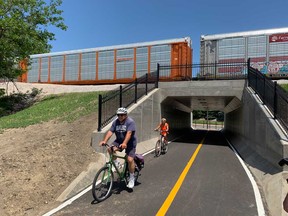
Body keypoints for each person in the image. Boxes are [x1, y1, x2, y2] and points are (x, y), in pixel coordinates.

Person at [99, 107, 137, 189]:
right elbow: (110, 132)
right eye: (118, 115)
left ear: (126, 115)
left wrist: (124, 143)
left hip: (130, 142)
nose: (120, 117)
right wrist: (104, 141)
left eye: (122, 115)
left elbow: (129, 133)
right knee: (110, 149)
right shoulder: (115, 122)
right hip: (119, 141)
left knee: (130, 159)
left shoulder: (130, 122)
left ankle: (131, 178)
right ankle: (117, 163)